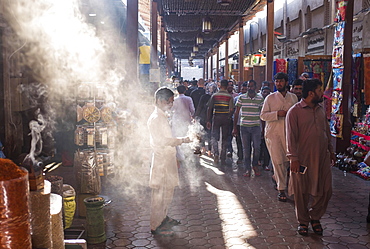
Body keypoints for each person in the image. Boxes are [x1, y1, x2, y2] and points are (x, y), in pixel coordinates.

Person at [285, 79, 335, 236]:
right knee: (301, 192)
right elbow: (290, 137)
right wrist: (293, 158)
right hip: (302, 159)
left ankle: (315, 217)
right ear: (311, 93)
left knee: (326, 189)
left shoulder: (320, 109)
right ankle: (303, 221)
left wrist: (331, 151)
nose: (322, 93)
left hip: (322, 157)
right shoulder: (294, 112)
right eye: (320, 90)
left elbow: (326, 131)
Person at [147, 87, 191, 236]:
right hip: (161, 161)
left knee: (167, 192)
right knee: (160, 194)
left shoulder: (162, 116)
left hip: (167, 159)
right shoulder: (156, 118)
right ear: (159, 100)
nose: (171, 105)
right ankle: (156, 225)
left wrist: (176, 157)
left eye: (172, 102)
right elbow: (163, 140)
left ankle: (163, 218)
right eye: (168, 101)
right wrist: (183, 140)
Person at [260, 72, 298, 202]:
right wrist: (277, 114)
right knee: (278, 161)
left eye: (281, 81)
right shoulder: (270, 98)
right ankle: (281, 189)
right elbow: (263, 115)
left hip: (289, 134)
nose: (278, 84)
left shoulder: (293, 98)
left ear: (286, 83)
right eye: (276, 81)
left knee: (288, 161)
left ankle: (278, 178)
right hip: (273, 134)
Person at [233, 80, 264, 177]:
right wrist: (235, 127)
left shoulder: (260, 98)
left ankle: (255, 165)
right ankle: (247, 168)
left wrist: (263, 128)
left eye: (251, 86)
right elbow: (236, 113)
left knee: (257, 148)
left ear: (255, 87)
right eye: (248, 86)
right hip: (244, 127)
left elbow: (262, 114)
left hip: (256, 127)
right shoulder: (242, 97)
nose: (249, 88)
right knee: (246, 149)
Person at [207, 79, 234, 165]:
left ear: (220, 85)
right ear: (227, 86)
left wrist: (208, 120)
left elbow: (209, 108)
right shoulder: (230, 97)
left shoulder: (214, 95)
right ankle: (223, 156)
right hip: (226, 118)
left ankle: (216, 153)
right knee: (225, 138)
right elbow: (231, 109)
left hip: (216, 117)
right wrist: (229, 117)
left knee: (214, 136)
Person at [171, 85, 195, 162]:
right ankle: (186, 153)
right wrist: (191, 115)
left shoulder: (175, 99)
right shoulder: (189, 99)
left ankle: (179, 154)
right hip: (186, 119)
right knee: (186, 135)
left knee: (177, 135)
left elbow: (171, 109)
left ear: (177, 91)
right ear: (185, 91)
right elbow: (192, 110)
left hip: (177, 120)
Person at [233, 82, 248, 164]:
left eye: (246, 89)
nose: (244, 91)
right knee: (239, 141)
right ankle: (240, 157)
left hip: (248, 123)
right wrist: (234, 126)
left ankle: (247, 158)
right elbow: (235, 112)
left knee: (247, 142)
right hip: (239, 123)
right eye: (243, 89)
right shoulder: (237, 98)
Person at [259, 86, 271, 171]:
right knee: (258, 145)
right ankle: (259, 159)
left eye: (267, 92)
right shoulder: (259, 101)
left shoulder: (271, 101)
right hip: (258, 126)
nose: (266, 94)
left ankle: (266, 164)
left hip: (268, 127)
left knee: (267, 146)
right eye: (264, 92)